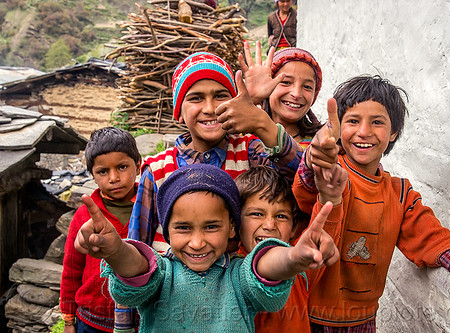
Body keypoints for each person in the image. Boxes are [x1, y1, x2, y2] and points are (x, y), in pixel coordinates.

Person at [292, 75, 450, 332]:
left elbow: (428, 235)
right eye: (353, 121)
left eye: (377, 122)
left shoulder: (399, 194)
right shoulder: (332, 173)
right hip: (305, 314)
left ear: (393, 133)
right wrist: (313, 157)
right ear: (338, 128)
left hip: (363, 319)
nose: (364, 132)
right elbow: (305, 190)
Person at [74, 164, 339, 332]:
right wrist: (116, 251)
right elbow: (138, 269)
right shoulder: (162, 274)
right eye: (184, 228)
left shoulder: (237, 277)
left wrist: (292, 256)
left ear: (232, 229)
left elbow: (264, 267)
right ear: (166, 232)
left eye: (211, 227)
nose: (198, 242)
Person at [128, 52, 303, 252]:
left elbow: (304, 177)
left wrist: (262, 123)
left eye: (220, 96)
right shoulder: (157, 171)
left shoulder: (250, 152)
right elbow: (137, 248)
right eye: (196, 98)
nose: (210, 108)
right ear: (179, 112)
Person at [234, 165, 346, 332]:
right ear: (235, 222)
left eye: (281, 216)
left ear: (294, 229)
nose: (270, 225)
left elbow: (320, 233)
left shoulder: (302, 268)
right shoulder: (228, 269)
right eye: (257, 214)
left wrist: (331, 197)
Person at [60, 127, 141, 332]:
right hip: (91, 319)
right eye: (103, 171)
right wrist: (69, 320)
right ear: (93, 176)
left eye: (122, 167)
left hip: (142, 317)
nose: (113, 178)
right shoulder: (84, 216)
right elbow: (72, 268)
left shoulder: (152, 208)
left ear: (138, 166)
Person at [237, 41, 323, 149]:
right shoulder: (242, 136)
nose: (296, 94)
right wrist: (251, 100)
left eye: (307, 87)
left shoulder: (320, 144)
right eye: (286, 82)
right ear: (268, 86)